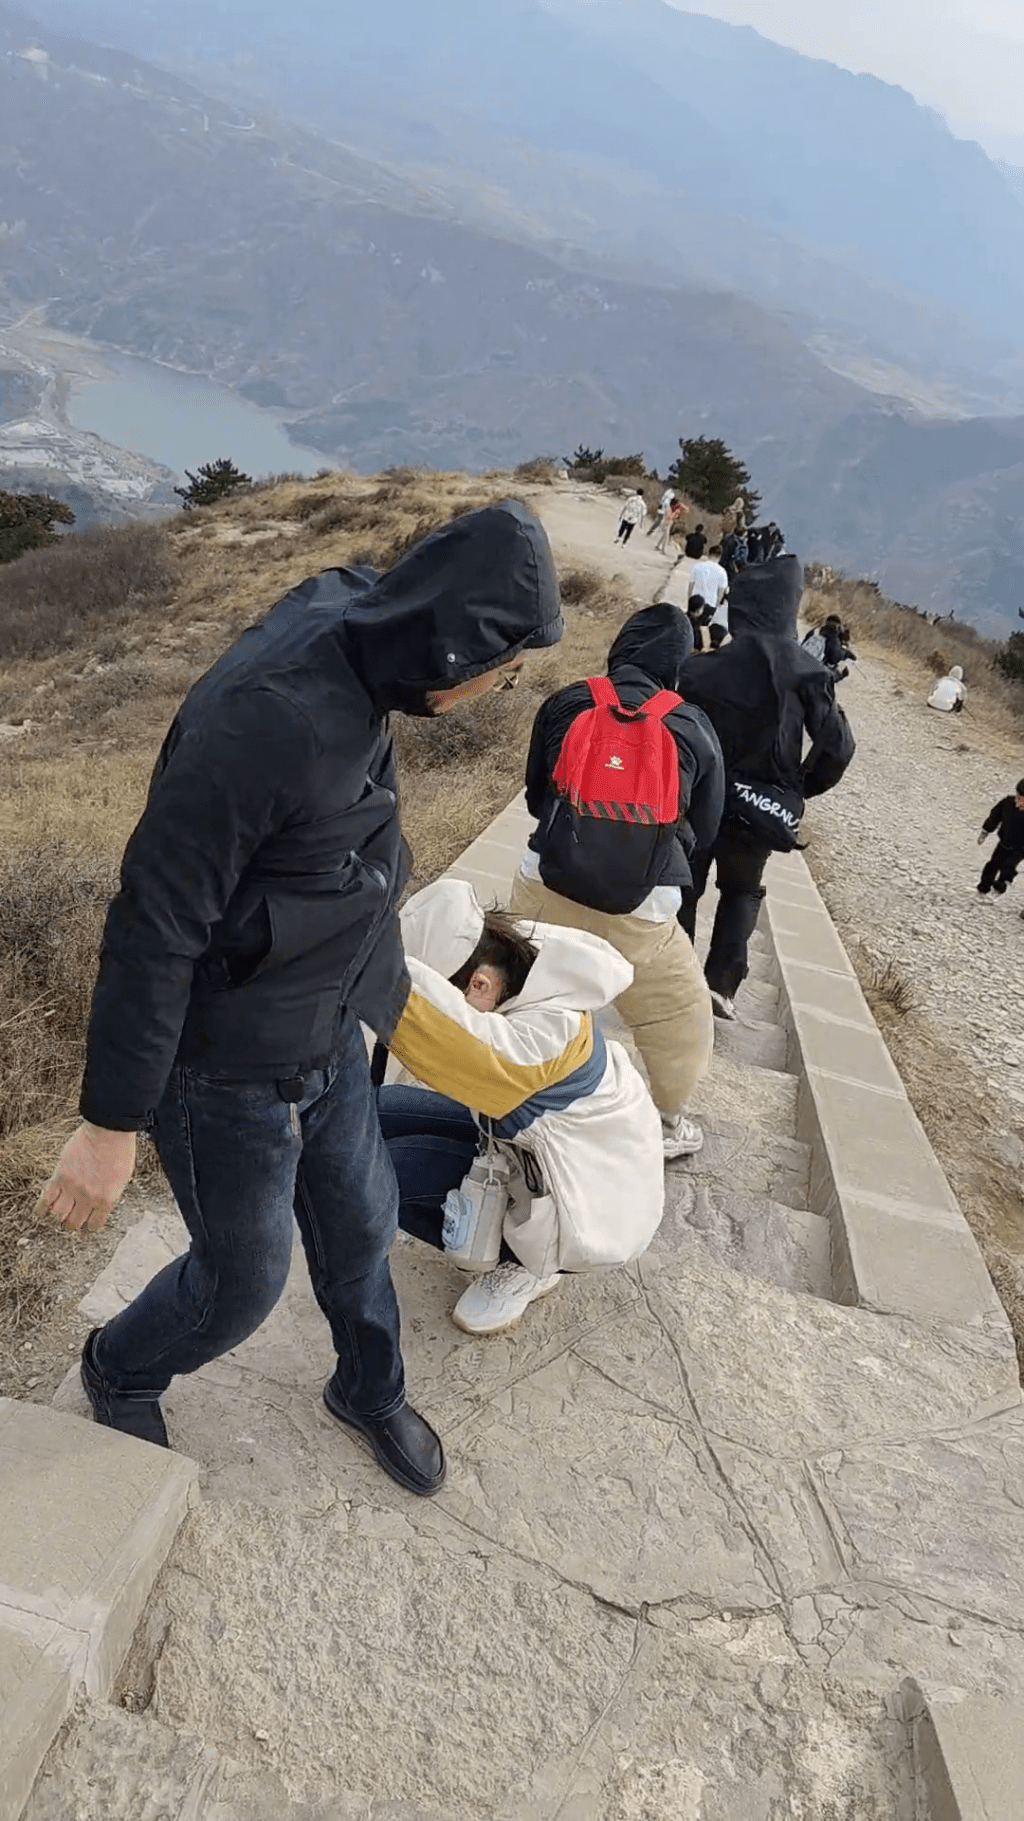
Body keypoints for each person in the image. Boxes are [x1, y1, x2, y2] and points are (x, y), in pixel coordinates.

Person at [37, 500, 563, 1497]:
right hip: (226, 1067)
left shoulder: (367, 636)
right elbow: (153, 923)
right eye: (506, 668)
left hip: (327, 1025)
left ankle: (367, 1388)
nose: (504, 687)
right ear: (452, 643)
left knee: (361, 1226)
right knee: (240, 1283)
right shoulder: (265, 722)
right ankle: (120, 1367)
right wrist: (109, 1123)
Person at [377, 879, 665, 1334]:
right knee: (380, 1111)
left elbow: (452, 1041)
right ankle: (523, 1247)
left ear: (479, 982)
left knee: (377, 1173)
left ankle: (531, 1265)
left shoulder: (537, 1043)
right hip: (542, 1154)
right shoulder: (536, 975)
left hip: (583, 1212)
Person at [510, 603, 724, 1159]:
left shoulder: (568, 702)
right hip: (641, 908)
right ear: (677, 665)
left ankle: (504, 1084)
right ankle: (668, 1121)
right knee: (678, 1011)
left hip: (547, 885)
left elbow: (537, 798)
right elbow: (703, 829)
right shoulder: (692, 724)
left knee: (521, 977)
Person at [677, 556, 855, 1021]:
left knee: (685, 885)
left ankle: (672, 981)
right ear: (788, 607)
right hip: (760, 806)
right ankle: (720, 987)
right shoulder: (809, 672)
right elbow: (837, 746)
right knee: (741, 891)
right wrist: (798, 787)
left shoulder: (702, 667)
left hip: (700, 799)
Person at [977, 781, 1024, 897]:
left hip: (1020, 849)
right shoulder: (1007, 803)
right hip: (1004, 843)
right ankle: (983, 888)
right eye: (1019, 796)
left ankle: (1000, 886)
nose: (1020, 801)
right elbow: (995, 816)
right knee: (993, 864)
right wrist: (985, 831)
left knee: (1008, 867)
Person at [690, 546, 730, 649]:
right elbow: (721, 593)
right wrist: (717, 605)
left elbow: (691, 585)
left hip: (696, 600)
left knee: (691, 626)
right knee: (703, 629)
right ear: (720, 556)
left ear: (709, 553)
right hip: (710, 604)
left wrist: (689, 598)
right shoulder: (722, 572)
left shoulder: (697, 566)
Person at [802, 613, 857, 679]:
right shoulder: (833, 639)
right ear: (838, 627)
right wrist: (846, 654)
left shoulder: (814, 631)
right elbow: (834, 658)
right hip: (812, 673)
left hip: (799, 663)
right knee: (833, 669)